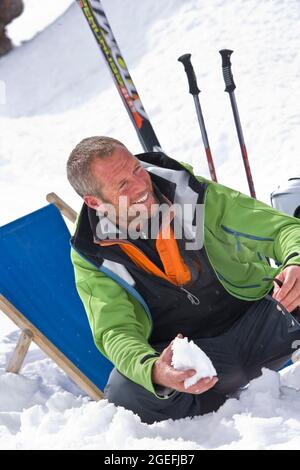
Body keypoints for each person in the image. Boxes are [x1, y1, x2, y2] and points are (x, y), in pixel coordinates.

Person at [67, 136, 300, 424]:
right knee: (124, 393)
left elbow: (281, 230)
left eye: (137, 169)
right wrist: (156, 370)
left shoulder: (192, 193)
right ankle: (207, 411)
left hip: (263, 325)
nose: (141, 186)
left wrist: (295, 261)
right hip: (192, 364)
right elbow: (115, 332)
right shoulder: (91, 254)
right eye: (123, 185)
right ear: (94, 202)